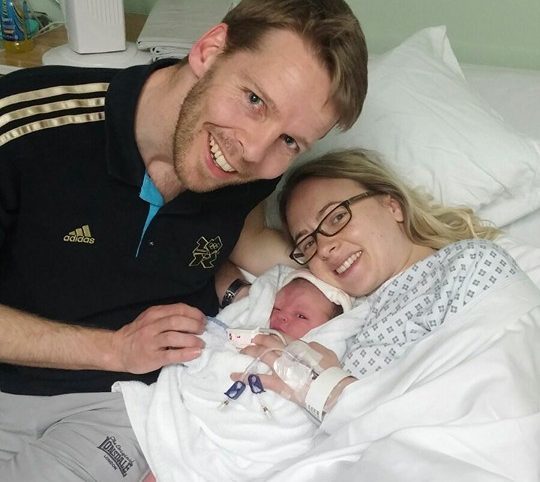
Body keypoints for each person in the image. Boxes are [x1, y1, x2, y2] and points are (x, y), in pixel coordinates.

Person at [0, 1, 368, 480]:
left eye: (290, 141)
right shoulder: (26, 125)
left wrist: (371, 271)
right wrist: (113, 350)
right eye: (255, 100)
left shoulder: (252, 179)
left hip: (125, 407)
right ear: (209, 50)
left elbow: (250, 240)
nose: (253, 152)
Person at [240, 147, 532, 422]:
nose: (325, 247)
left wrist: (332, 390)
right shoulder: (345, 315)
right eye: (308, 242)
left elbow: (504, 392)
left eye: (337, 217)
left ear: (393, 206)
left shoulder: (471, 264)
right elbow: (248, 244)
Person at [116, 265, 357, 482]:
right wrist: (207, 357)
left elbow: (295, 425)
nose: (282, 316)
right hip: (196, 430)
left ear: (326, 329)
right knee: (167, 462)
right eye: (277, 307)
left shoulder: (319, 360)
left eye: (301, 316)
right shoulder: (245, 332)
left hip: (257, 455)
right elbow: (208, 353)